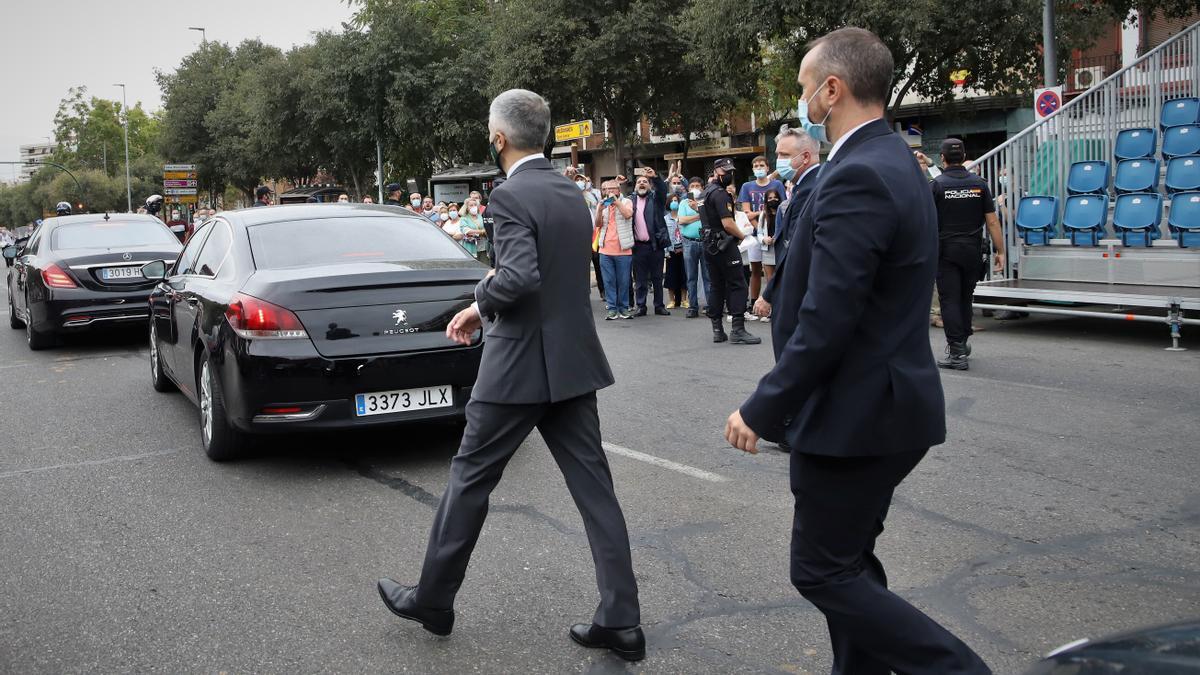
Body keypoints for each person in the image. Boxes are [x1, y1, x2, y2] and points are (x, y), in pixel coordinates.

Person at [724, 27, 991, 675]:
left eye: (803, 88)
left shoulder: (859, 173)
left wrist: (763, 407)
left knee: (821, 571)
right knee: (849, 563)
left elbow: (829, 315)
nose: (801, 101)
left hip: (857, 415)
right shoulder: (894, 160)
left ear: (832, 88)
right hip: (881, 407)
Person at [377, 89, 644, 662]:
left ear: (499, 138)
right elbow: (547, 274)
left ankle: (433, 599)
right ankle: (622, 619)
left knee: (470, 479)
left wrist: (478, 299)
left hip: (519, 365)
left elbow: (519, 275)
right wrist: (489, 301)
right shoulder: (570, 193)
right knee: (597, 493)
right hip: (572, 364)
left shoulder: (509, 195)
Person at [931, 138, 1005, 370]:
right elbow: (992, 222)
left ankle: (956, 352)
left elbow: (927, 222)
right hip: (973, 251)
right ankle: (962, 342)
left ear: (942, 158)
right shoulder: (980, 184)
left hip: (946, 252)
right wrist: (1000, 251)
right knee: (965, 298)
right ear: (963, 157)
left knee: (950, 300)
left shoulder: (936, 185)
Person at [755, 127, 821, 321]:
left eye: (784, 155)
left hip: (801, 294)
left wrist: (768, 294)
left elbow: (795, 249)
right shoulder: (805, 186)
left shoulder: (810, 190)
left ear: (806, 157)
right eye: (777, 154)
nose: (779, 161)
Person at [699, 158, 760, 345]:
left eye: (730, 171)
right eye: (725, 171)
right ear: (716, 170)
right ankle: (738, 329)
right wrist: (743, 237)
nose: (729, 174)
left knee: (716, 285)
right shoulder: (720, 194)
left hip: (709, 245)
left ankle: (717, 330)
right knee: (737, 284)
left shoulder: (704, 193)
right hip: (724, 243)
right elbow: (728, 223)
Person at [737, 157, 785, 321]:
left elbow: (782, 207)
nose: (758, 168)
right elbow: (746, 212)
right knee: (756, 270)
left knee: (772, 271)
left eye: (761, 165)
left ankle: (773, 303)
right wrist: (759, 230)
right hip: (755, 235)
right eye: (755, 165)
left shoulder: (776, 185)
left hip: (773, 233)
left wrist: (758, 214)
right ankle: (753, 303)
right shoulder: (746, 186)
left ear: (767, 167)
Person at [627, 168, 672, 317]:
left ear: (649, 185)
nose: (642, 183)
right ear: (635, 187)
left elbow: (662, 189)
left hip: (655, 245)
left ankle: (659, 306)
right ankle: (641, 306)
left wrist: (655, 177)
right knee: (640, 280)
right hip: (638, 246)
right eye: (639, 182)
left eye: (645, 182)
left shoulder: (656, 199)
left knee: (657, 277)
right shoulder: (630, 201)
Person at [594, 179, 635, 320]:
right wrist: (599, 210)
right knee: (609, 281)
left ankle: (623, 308)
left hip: (623, 250)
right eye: (606, 189)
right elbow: (598, 224)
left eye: (612, 189)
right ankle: (612, 309)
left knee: (624, 281)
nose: (609, 192)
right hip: (605, 250)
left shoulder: (627, 201)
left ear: (619, 189)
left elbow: (628, 215)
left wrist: (616, 202)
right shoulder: (602, 204)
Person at [677, 176, 710, 318]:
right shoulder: (684, 203)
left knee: (708, 276)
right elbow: (682, 220)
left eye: (698, 186)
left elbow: (709, 218)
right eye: (692, 186)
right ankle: (693, 306)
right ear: (688, 189)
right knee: (691, 276)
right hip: (689, 242)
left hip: (705, 241)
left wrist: (699, 212)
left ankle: (710, 305)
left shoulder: (706, 202)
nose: (695, 189)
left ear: (702, 188)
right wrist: (699, 216)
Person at [664, 193, 685, 308]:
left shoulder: (683, 216)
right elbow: (665, 236)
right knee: (671, 276)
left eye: (676, 200)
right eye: (672, 200)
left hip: (683, 250)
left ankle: (684, 300)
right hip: (671, 251)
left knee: (684, 275)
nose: (674, 202)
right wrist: (666, 252)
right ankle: (671, 300)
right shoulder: (665, 219)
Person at [460, 197, 490, 264]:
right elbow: (466, 231)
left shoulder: (481, 216)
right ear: (467, 207)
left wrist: (479, 232)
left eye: (475, 205)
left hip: (483, 246)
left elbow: (487, 228)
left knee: (485, 265)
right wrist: (481, 232)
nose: (474, 207)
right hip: (471, 247)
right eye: (471, 205)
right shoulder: (464, 218)